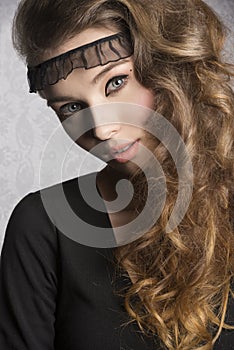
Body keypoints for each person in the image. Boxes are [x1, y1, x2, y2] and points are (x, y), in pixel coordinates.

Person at [0, 0, 233, 349]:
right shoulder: (42, 226)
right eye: (71, 108)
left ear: (169, 66)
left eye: (116, 82)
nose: (102, 129)